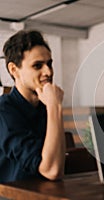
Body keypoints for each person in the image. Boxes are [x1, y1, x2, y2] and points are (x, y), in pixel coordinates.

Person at [0, 30, 65, 183]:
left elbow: (59, 169)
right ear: (14, 70)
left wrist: (52, 107)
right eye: (37, 66)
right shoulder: (4, 112)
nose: (48, 72)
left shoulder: (45, 107)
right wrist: (55, 107)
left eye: (49, 64)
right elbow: (52, 170)